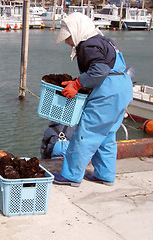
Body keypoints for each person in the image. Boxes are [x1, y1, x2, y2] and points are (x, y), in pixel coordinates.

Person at [52, 12, 133, 187]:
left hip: (108, 90)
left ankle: (71, 175)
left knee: (86, 133)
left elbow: (100, 71)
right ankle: (105, 174)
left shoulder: (88, 45)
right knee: (107, 134)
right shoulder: (105, 40)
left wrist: (77, 84)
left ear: (77, 31)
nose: (67, 42)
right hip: (123, 87)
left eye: (68, 37)